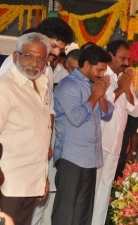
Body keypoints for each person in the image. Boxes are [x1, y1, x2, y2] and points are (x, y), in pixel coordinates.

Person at [0, 32, 52, 225]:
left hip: (31, 180)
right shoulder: (3, 89)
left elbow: (40, 133)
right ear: (15, 56)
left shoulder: (41, 83)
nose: (34, 64)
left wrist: (42, 177)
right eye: (28, 56)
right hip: (9, 182)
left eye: (40, 59)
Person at [52, 45, 114, 225]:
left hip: (90, 157)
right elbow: (77, 118)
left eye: (104, 70)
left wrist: (100, 94)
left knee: (83, 213)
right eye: (99, 69)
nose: (102, 74)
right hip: (71, 158)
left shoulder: (93, 85)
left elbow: (107, 114)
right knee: (66, 212)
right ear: (86, 64)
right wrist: (95, 95)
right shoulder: (68, 85)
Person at [91, 40, 138, 225]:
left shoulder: (124, 78)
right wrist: (120, 88)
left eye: (128, 59)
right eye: (122, 58)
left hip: (116, 143)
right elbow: (101, 104)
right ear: (110, 55)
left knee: (105, 189)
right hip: (100, 141)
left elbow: (135, 110)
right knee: (94, 188)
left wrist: (126, 87)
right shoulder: (101, 74)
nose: (126, 63)